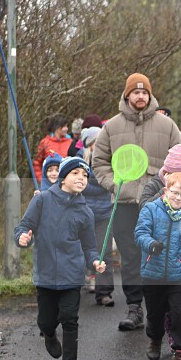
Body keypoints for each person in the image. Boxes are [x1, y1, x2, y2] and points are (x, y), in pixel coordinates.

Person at [92, 73, 181, 331]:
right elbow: (99, 163)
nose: (140, 96)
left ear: (150, 95)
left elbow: (180, 160)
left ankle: (162, 308)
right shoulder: (111, 127)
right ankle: (134, 307)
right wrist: (114, 184)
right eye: (135, 92)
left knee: (159, 253)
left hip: (158, 204)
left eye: (145, 92)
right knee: (130, 257)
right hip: (124, 204)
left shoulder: (167, 126)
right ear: (127, 95)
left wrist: (169, 188)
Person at [15, 157, 106, 360]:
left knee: (69, 318)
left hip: (72, 274)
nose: (82, 179)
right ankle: (48, 334)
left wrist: (95, 261)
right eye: (76, 174)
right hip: (45, 273)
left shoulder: (86, 211)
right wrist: (22, 237)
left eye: (85, 176)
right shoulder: (43, 200)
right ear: (63, 177)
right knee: (46, 320)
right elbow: (24, 226)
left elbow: (89, 246)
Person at [134, 172, 181, 360]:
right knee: (154, 314)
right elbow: (140, 233)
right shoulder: (150, 209)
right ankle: (155, 339)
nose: (178, 198)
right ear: (166, 191)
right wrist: (151, 245)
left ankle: (180, 352)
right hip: (152, 273)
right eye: (174, 192)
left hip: (178, 275)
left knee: (180, 313)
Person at [77, 127, 116, 307]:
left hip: (104, 213)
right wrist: (102, 185)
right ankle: (72, 287)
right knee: (78, 252)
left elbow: (114, 183)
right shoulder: (78, 162)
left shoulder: (111, 161)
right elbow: (80, 185)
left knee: (104, 253)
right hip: (81, 214)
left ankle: (104, 292)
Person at [33, 114, 72, 183]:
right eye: (64, 126)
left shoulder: (71, 142)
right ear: (56, 127)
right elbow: (37, 163)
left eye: (67, 126)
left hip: (66, 183)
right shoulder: (45, 142)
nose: (67, 129)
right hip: (49, 183)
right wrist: (41, 179)